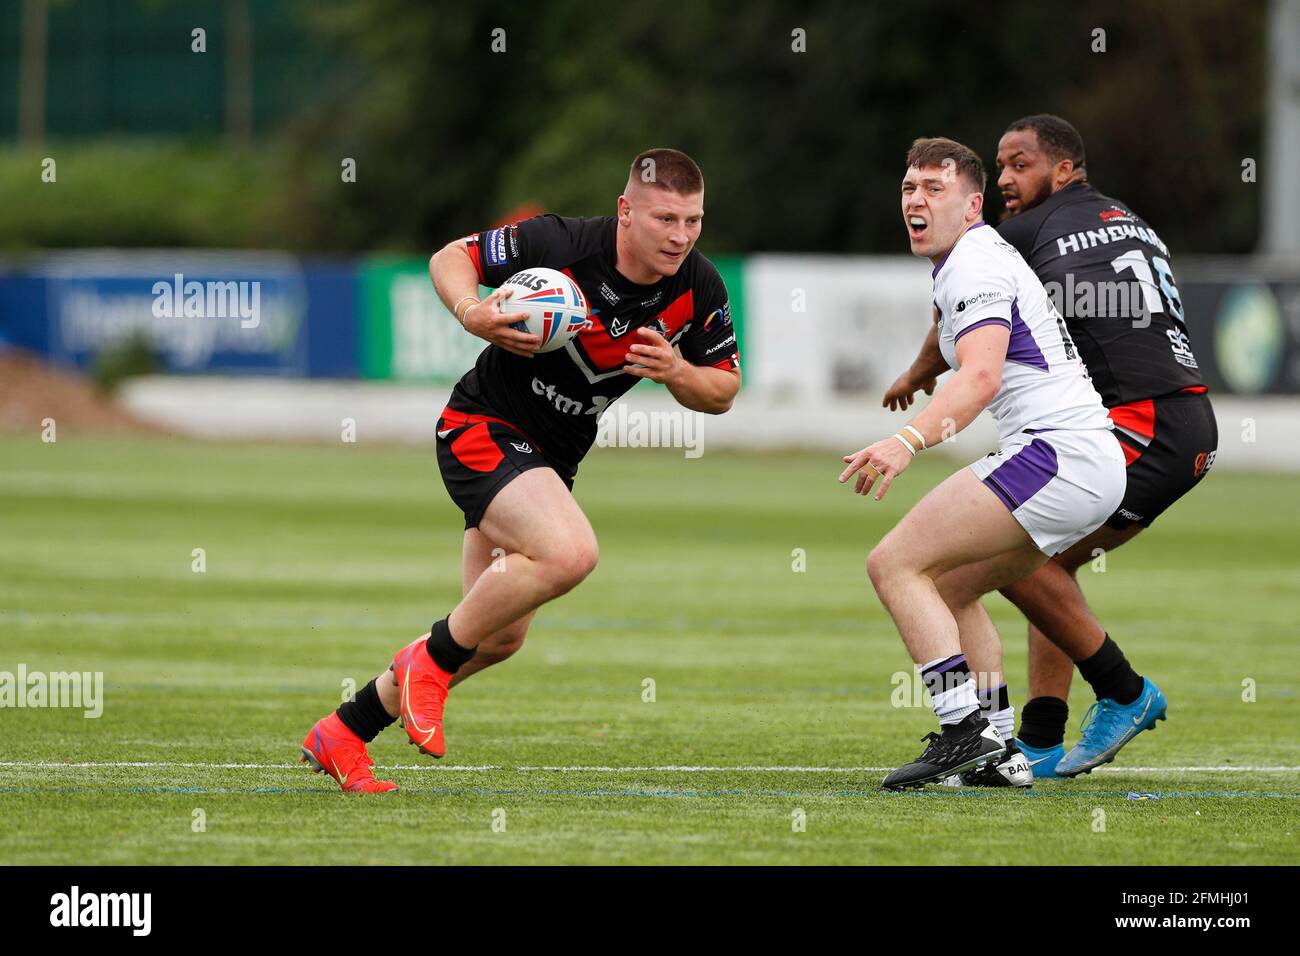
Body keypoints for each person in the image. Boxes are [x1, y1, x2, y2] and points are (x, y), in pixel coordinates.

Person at [299, 148, 742, 792]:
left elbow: (724, 391)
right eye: (665, 219)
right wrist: (471, 311)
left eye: (693, 221)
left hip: (550, 463)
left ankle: (344, 730)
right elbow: (450, 258)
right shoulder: (558, 241)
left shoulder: (698, 285)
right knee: (569, 553)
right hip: (481, 428)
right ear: (626, 211)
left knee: (498, 637)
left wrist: (679, 373)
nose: (680, 236)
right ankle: (430, 662)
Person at [884, 115, 1212, 780]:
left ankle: (1112, 697)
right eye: (1000, 164)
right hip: (1183, 417)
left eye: (1020, 164)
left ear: (1064, 171)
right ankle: (1019, 744)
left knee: (1018, 565)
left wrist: (919, 389)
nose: (1007, 178)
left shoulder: (1017, 235)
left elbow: (966, 326)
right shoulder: (1129, 219)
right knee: (1004, 567)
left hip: (1131, 422)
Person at [843, 137, 1127, 791]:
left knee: (892, 563)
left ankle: (961, 730)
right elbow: (959, 349)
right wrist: (917, 373)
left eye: (934, 189)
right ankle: (997, 749)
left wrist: (906, 440)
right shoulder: (970, 258)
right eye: (909, 188)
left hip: (1058, 453)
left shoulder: (973, 262)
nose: (916, 200)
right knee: (949, 586)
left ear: (973, 207)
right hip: (1082, 458)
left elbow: (980, 379)